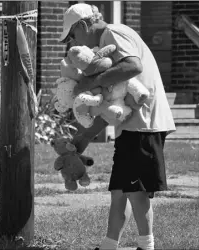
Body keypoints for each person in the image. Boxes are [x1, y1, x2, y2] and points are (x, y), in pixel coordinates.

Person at [59, 3, 176, 250]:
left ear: (82, 25)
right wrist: (84, 138)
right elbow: (112, 102)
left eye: (72, 36)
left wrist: (89, 83)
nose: (72, 43)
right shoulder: (103, 49)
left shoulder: (113, 32)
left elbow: (133, 66)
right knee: (120, 191)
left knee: (135, 190)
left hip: (144, 123)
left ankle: (147, 246)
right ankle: (109, 246)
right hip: (132, 125)